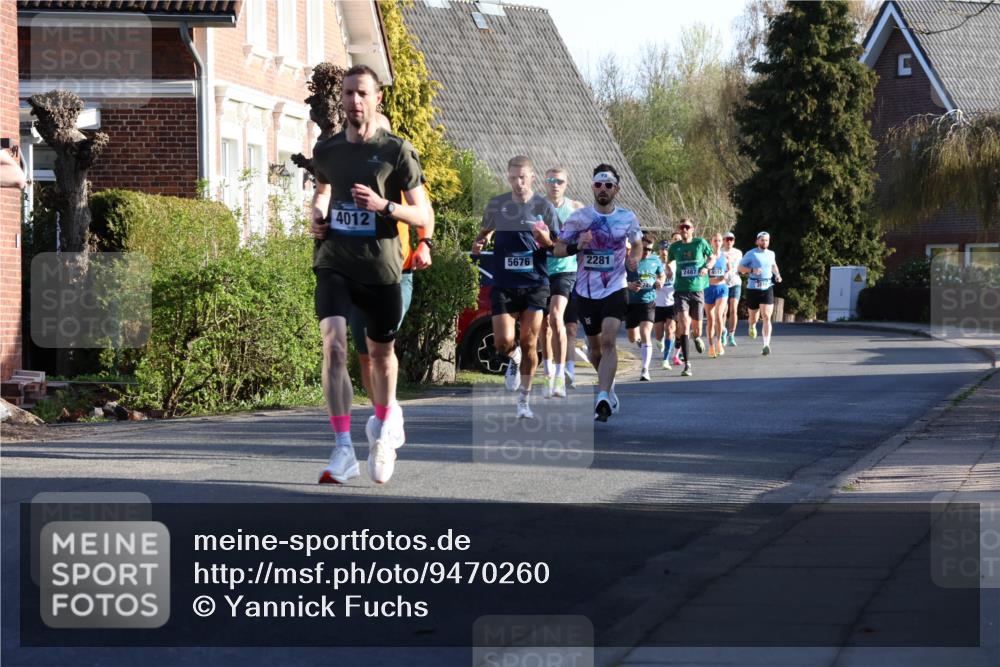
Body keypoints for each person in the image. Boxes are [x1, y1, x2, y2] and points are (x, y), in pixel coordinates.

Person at [310, 65, 432, 485]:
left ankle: (383, 428)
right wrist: (318, 214)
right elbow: (323, 190)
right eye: (347, 93)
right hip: (335, 262)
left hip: (381, 267)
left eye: (362, 93)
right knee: (335, 346)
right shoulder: (326, 150)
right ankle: (343, 447)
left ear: (377, 98)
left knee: (380, 356)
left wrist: (384, 207)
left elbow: (424, 215)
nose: (353, 101)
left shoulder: (397, 151)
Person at [348, 113, 433, 401]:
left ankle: (386, 417)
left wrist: (425, 244)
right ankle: (382, 411)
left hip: (398, 273)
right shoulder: (350, 174)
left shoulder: (401, 172)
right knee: (364, 355)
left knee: (380, 344)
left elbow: (425, 213)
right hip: (357, 273)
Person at [554, 164, 643, 422]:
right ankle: (609, 386)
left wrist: (634, 259)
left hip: (615, 287)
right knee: (594, 350)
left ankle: (602, 395)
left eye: (608, 185)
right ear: (593, 187)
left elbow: (636, 245)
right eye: (598, 184)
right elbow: (557, 249)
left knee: (608, 341)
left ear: (616, 189)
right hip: (585, 291)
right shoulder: (579, 218)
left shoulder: (627, 217)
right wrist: (576, 245)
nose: (602, 189)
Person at [471, 155, 558, 419]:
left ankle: (524, 400)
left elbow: (559, 245)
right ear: (507, 178)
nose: (518, 183)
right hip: (505, 284)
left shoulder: (544, 206)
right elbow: (485, 231)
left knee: (530, 340)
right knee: (502, 342)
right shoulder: (497, 204)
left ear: (532, 177)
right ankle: (514, 356)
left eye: (523, 177)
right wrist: (479, 243)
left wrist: (546, 240)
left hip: (535, 283)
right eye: (513, 178)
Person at [539, 167, 584, 398]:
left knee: (557, 318)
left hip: (565, 271)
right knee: (544, 325)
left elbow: (596, 226)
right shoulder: (536, 207)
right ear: (544, 183)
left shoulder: (576, 208)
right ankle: (548, 374)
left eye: (559, 181)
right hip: (541, 271)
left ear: (566, 184)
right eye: (551, 180)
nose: (555, 184)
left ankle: (561, 375)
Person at [667, 218, 716, 377]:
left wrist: (706, 267)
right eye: (682, 227)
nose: (684, 229)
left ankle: (697, 337)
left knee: (697, 328)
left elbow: (712, 257)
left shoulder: (700, 243)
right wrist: (668, 269)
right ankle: (687, 364)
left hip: (697, 290)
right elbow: (668, 262)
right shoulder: (675, 247)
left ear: (692, 229)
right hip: (681, 290)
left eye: (687, 227)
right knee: (683, 323)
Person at [625, 236, 665, 381]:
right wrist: (628, 285)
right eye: (645, 248)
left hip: (648, 301)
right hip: (631, 303)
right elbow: (618, 278)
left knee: (645, 332)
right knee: (632, 337)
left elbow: (662, 275)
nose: (647, 252)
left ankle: (645, 369)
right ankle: (641, 344)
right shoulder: (629, 260)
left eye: (650, 249)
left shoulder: (655, 260)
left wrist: (661, 281)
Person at [738, 231, 783, 356]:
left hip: (767, 287)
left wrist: (777, 275)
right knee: (754, 317)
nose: (764, 242)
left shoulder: (771, 254)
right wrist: (752, 270)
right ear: (757, 241)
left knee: (767, 316)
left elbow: (774, 265)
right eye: (762, 240)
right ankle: (752, 325)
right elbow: (740, 268)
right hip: (753, 288)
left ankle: (766, 344)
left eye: (767, 240)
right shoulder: (751, 254)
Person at [703, 233, 731, 358]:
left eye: (720, 240)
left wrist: (726, 275)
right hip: (709, 289)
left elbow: (730, 269)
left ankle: (719, 341)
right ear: (711, 242)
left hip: (722, 289)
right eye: (715, 240)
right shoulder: (706, 257)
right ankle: (710, 345)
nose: (718, 243)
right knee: (710, 320)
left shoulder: (725, 257)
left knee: (719, 316)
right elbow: (702, 273)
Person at [654, 238, 680, 369]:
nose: (665, 252)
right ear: (659, 250)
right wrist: (656, 282)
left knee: (670, 330)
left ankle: (665, 360)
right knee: (659, 336)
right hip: (658, 303)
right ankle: (661, 342)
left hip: (672, 302)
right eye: (663, 249)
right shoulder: (655, 262)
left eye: (667, 249)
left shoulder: (676, 263)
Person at [722, 231, 743, 347]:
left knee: (733, 309)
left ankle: (732, 335)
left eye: (731, 239)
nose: (729, 241)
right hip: (722, 284)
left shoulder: (738, 253)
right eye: (727, 239)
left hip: (735, 282)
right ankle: (723, 332)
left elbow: (739, 267)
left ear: (734, 241)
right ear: (723, 241)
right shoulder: (719, 252)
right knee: (723, 311)